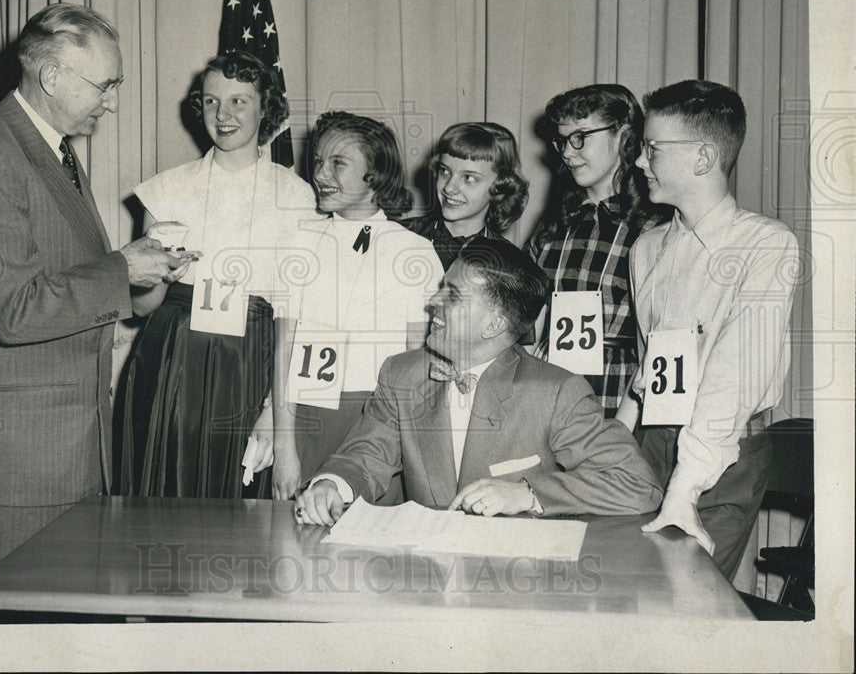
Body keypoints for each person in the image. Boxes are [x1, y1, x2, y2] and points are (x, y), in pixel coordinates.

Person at [0, 3, 186, 586]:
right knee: (18, 631)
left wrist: (134, 272)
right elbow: (11, 310)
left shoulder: (49, 147)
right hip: (17, 462)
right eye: (106, 84)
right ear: (52, 78)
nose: (113, 100)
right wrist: (121, 267)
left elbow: (64, 274)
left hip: (66, 447)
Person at [294, 236, 663, 525]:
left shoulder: (555, 393)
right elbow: (365, 455)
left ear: (494, 325)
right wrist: (332, 484)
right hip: (426, 576)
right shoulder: (402, 373)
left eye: (452, 296)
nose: (433, 301)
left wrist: (527, 494)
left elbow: (638, 485)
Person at [616, 79, 800, 580]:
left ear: (702, 157)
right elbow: (649, 366)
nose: (637, 161)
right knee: (627, 589)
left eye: (652, 148)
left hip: (726, 449)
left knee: (681, 597)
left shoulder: (765, 245)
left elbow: (733, 377)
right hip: (653, 437)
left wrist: (684, 487)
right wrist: (616, 443)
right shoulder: (645, 249)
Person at [116, 51, 318, 499]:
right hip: (171, 359)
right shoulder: (165, 188)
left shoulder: (295, 195)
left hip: (251, 363)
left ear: (266, 108)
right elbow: (139, 308)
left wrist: (274, 411)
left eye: (238, 102)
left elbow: (296, 316)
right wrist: (160, 276)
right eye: (210, 102)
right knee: (166, 494)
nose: (222, 115)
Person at [263, 112, 443, 501]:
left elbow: (417, 361)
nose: (321, 174)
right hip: (307, 417)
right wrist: (284, 448)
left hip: (378, 423)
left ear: (375, 174)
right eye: (318, 161)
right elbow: (284, 350)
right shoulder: (298, 242)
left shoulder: (413, 250)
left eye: (338, 163)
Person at [526, 84, 662, 419]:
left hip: (617, 398)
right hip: (547, 397)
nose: (567, 153)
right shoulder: (553, 225)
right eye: (562, 140)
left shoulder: (657, 227)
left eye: (581, 137)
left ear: (624, 136)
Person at [403, 122, 528, 271]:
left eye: (469, 178)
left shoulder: (508, 263)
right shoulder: (398, 235)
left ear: (500, 186)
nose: (449, 188)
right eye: (444, 171)